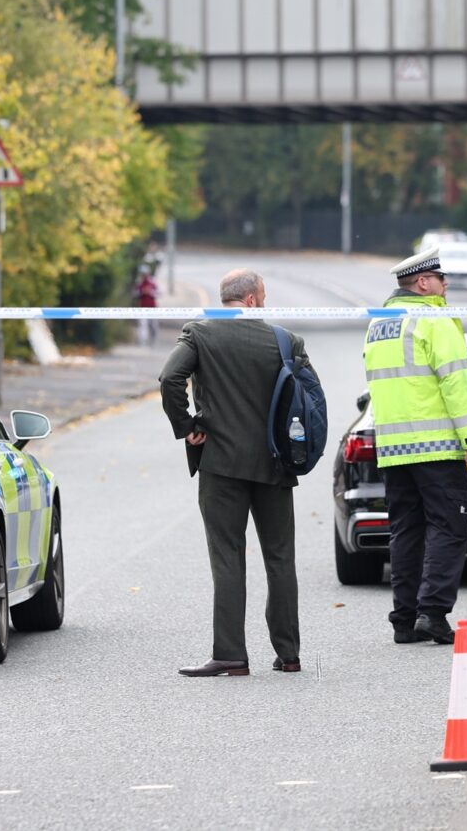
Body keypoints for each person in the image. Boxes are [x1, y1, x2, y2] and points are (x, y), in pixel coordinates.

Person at [159, 269, 314, 677]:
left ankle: (230, 654)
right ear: (249, 300)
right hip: (276, 464)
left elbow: (169, 378)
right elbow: (310, 398)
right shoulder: (285, 341)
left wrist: (188, 426)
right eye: (263, 295)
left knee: (227, 557)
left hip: (221, 465)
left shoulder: (200, 334)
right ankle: (289, 653)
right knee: (280, 558)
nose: (265, 302)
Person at [363, 248, 467, 645]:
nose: (446, 284)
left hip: (394, 446)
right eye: (440, 277)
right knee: (449, 528)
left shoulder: (380, 323)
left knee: (405, 531)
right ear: (423, 283)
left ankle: (404, 619)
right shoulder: (433, 318)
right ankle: (432, 613)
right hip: (436, 446)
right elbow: (456, 382)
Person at [133, 264, 159, 346]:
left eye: (145, 273)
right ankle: (142, 341)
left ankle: (153, 339)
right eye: (142, 273)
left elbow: (159, 293)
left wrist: (150, 292)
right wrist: (142, 292)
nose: (143, 275)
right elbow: (135, 294)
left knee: (153, 325)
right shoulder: (139, 282)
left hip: (153, 307)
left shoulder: (153, 282)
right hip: (142, 307)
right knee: (142, 325)